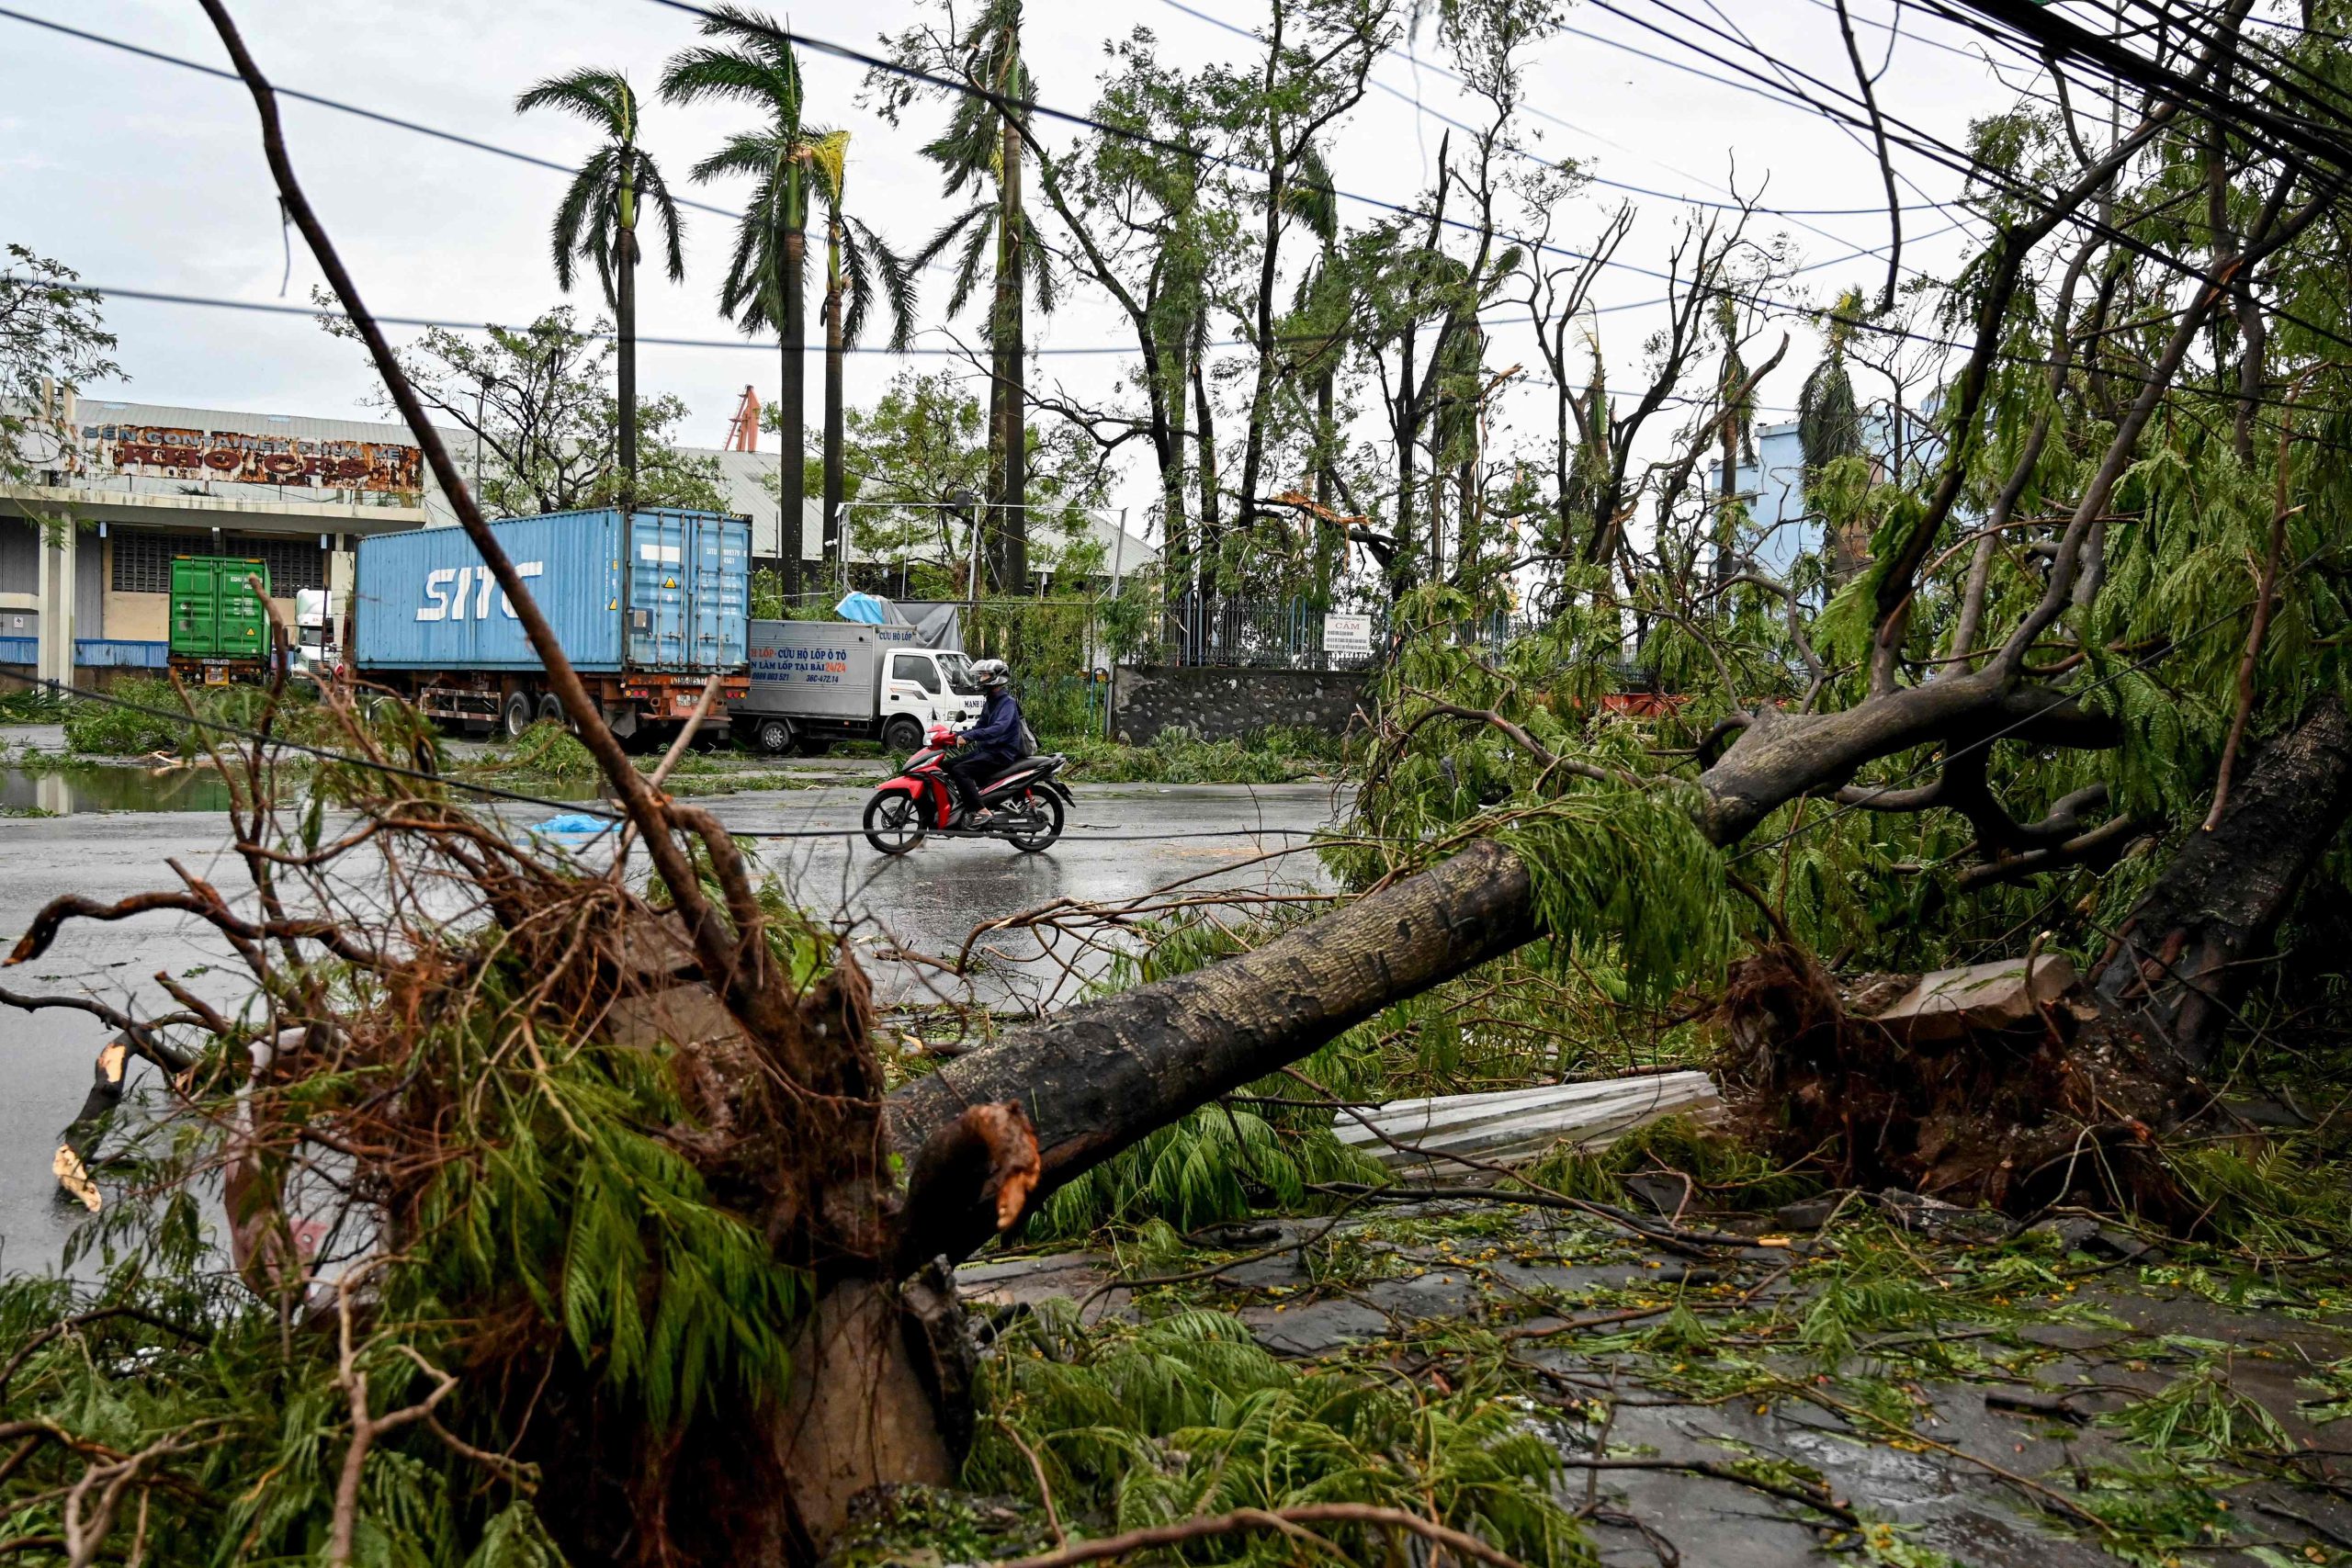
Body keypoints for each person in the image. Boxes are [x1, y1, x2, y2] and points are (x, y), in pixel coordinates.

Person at [945, 658, 1023, 825]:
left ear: (996, 678)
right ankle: (959, 804)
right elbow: (979, 726)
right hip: (987, 751)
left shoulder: (1007, 703)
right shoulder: (990, 702)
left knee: (961, 771)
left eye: (984, 675)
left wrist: (969, 737)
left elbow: (998, 729)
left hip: (1000, 754)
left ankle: (981, 810)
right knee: (946, 766)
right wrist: (954, 735)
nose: (980, 679)